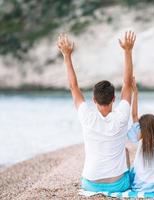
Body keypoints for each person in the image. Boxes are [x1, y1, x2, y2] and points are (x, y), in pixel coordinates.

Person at [57, 31, 136, 192]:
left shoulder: (87, 116)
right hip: (118, 185)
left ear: (93, 100)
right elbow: (127, 84)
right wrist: (127, 51)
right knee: (127, 155)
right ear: (114, 99)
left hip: (90, 184)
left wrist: (67, 55)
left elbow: (74, 87)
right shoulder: (121, 117)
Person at [126, 76, 154, 192]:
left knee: (131, 171)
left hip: (140, 185)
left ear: (141, 129)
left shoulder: (139, 138)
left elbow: (134, 115)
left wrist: (135, 92)